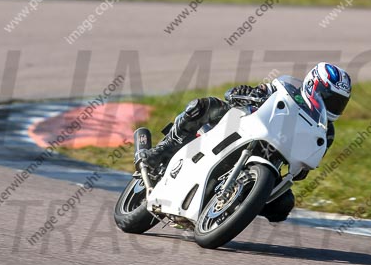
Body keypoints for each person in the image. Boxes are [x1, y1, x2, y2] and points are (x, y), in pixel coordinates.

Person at [136, 62, 352, 222]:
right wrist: (244, 93)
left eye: (339, 103)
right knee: (202, 106)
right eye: (329, 98)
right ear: (313, 85)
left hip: (270, 160)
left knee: (283, 206)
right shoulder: (286, 89)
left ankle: (234, 207)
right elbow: (245, 93)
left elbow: (304, 169)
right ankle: (162, 151)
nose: (332, 105)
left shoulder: (325, 132)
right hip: (242, 127)